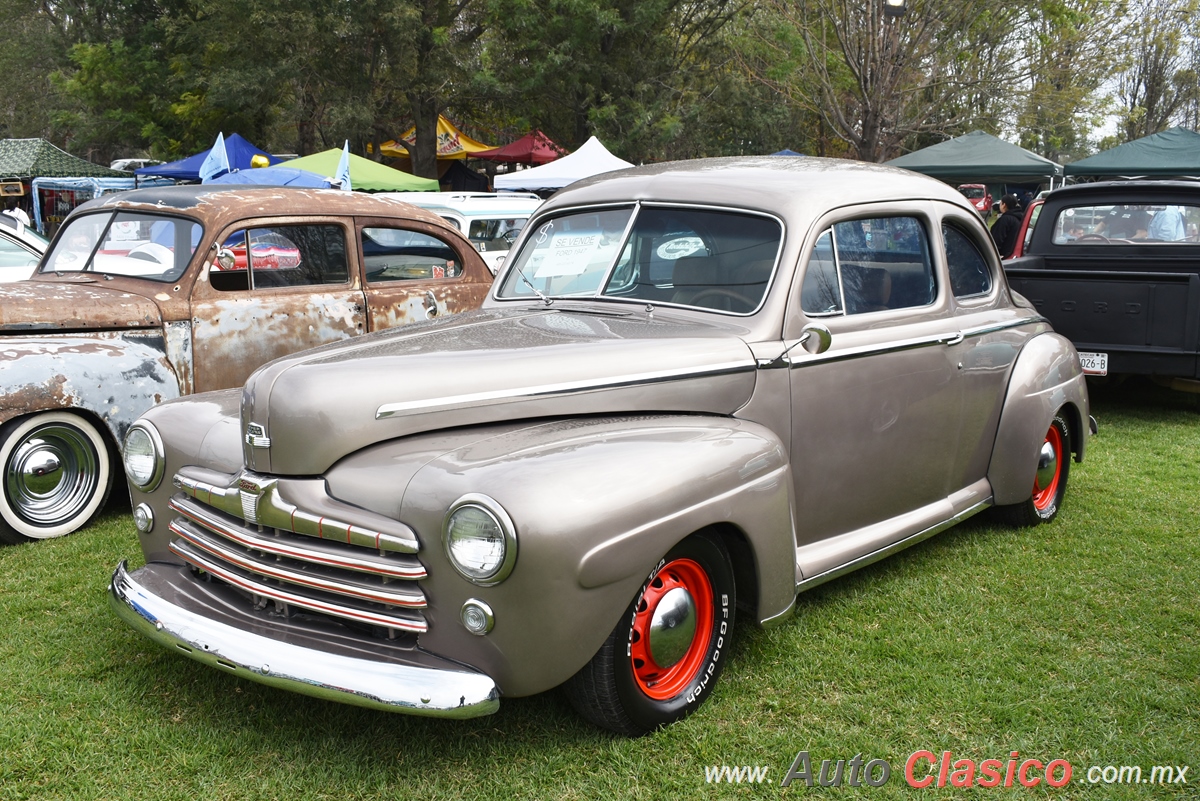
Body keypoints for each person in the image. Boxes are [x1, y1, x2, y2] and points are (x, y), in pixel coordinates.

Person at [990, 194, 1024, 259]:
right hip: (1017, 256)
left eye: (1000, 203)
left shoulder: (1004, 220)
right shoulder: (1021, 218)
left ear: (1004, 205)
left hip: (1004, 258)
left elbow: (996, 240)